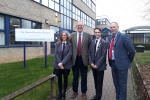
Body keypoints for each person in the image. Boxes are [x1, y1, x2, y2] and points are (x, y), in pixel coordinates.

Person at [108, 22, 135, 100]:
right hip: (113, 63)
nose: (112, 29)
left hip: (122, 65)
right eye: (111, 27)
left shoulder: (123, 36)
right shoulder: (110, 38)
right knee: (116, 84)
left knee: (122, 85)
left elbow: (132, 50)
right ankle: (118, 98)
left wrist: (128, 60)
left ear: (118, 27)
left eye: (114, 27)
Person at [70, 21, 91, 99]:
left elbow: (90, 48)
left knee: (84, 77)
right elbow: (70, 47)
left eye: (81, 25)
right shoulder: (72, 35)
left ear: (83, 26)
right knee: (75, 76)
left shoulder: (88, 36)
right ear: (76, 26)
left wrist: (89, 59)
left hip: (84, 60)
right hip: (75, 60)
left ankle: (84, 92)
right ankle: (75, 91)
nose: (79, 27)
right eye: (78, 25)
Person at [53, 30, 72, 100]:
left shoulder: (70, 45)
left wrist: (62, 63)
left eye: (65, 35)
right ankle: (60, 94)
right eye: (62, 35)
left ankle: (64, 94)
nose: (64, 36)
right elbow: (56, 54)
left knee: (65, 79)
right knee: (59, 79)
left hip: (66, 65)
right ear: (61, 36)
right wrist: (60, 63)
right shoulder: (57, 44)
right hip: (58, 65)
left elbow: (69, 54)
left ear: (67, 36)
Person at [89, 28, 107, 100]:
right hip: (93, 66)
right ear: (94, 33)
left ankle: (98, 97)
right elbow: (89, 53)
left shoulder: (104, 42)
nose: (97, 33)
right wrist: (91, 63)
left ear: (101, 33)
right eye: (96, 32)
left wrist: (97, 64)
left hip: (100, 66)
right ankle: (97, 95)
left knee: (99, 82)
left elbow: (103, 55)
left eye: (98, 32)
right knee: (95, 81)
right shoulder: (92, 42)